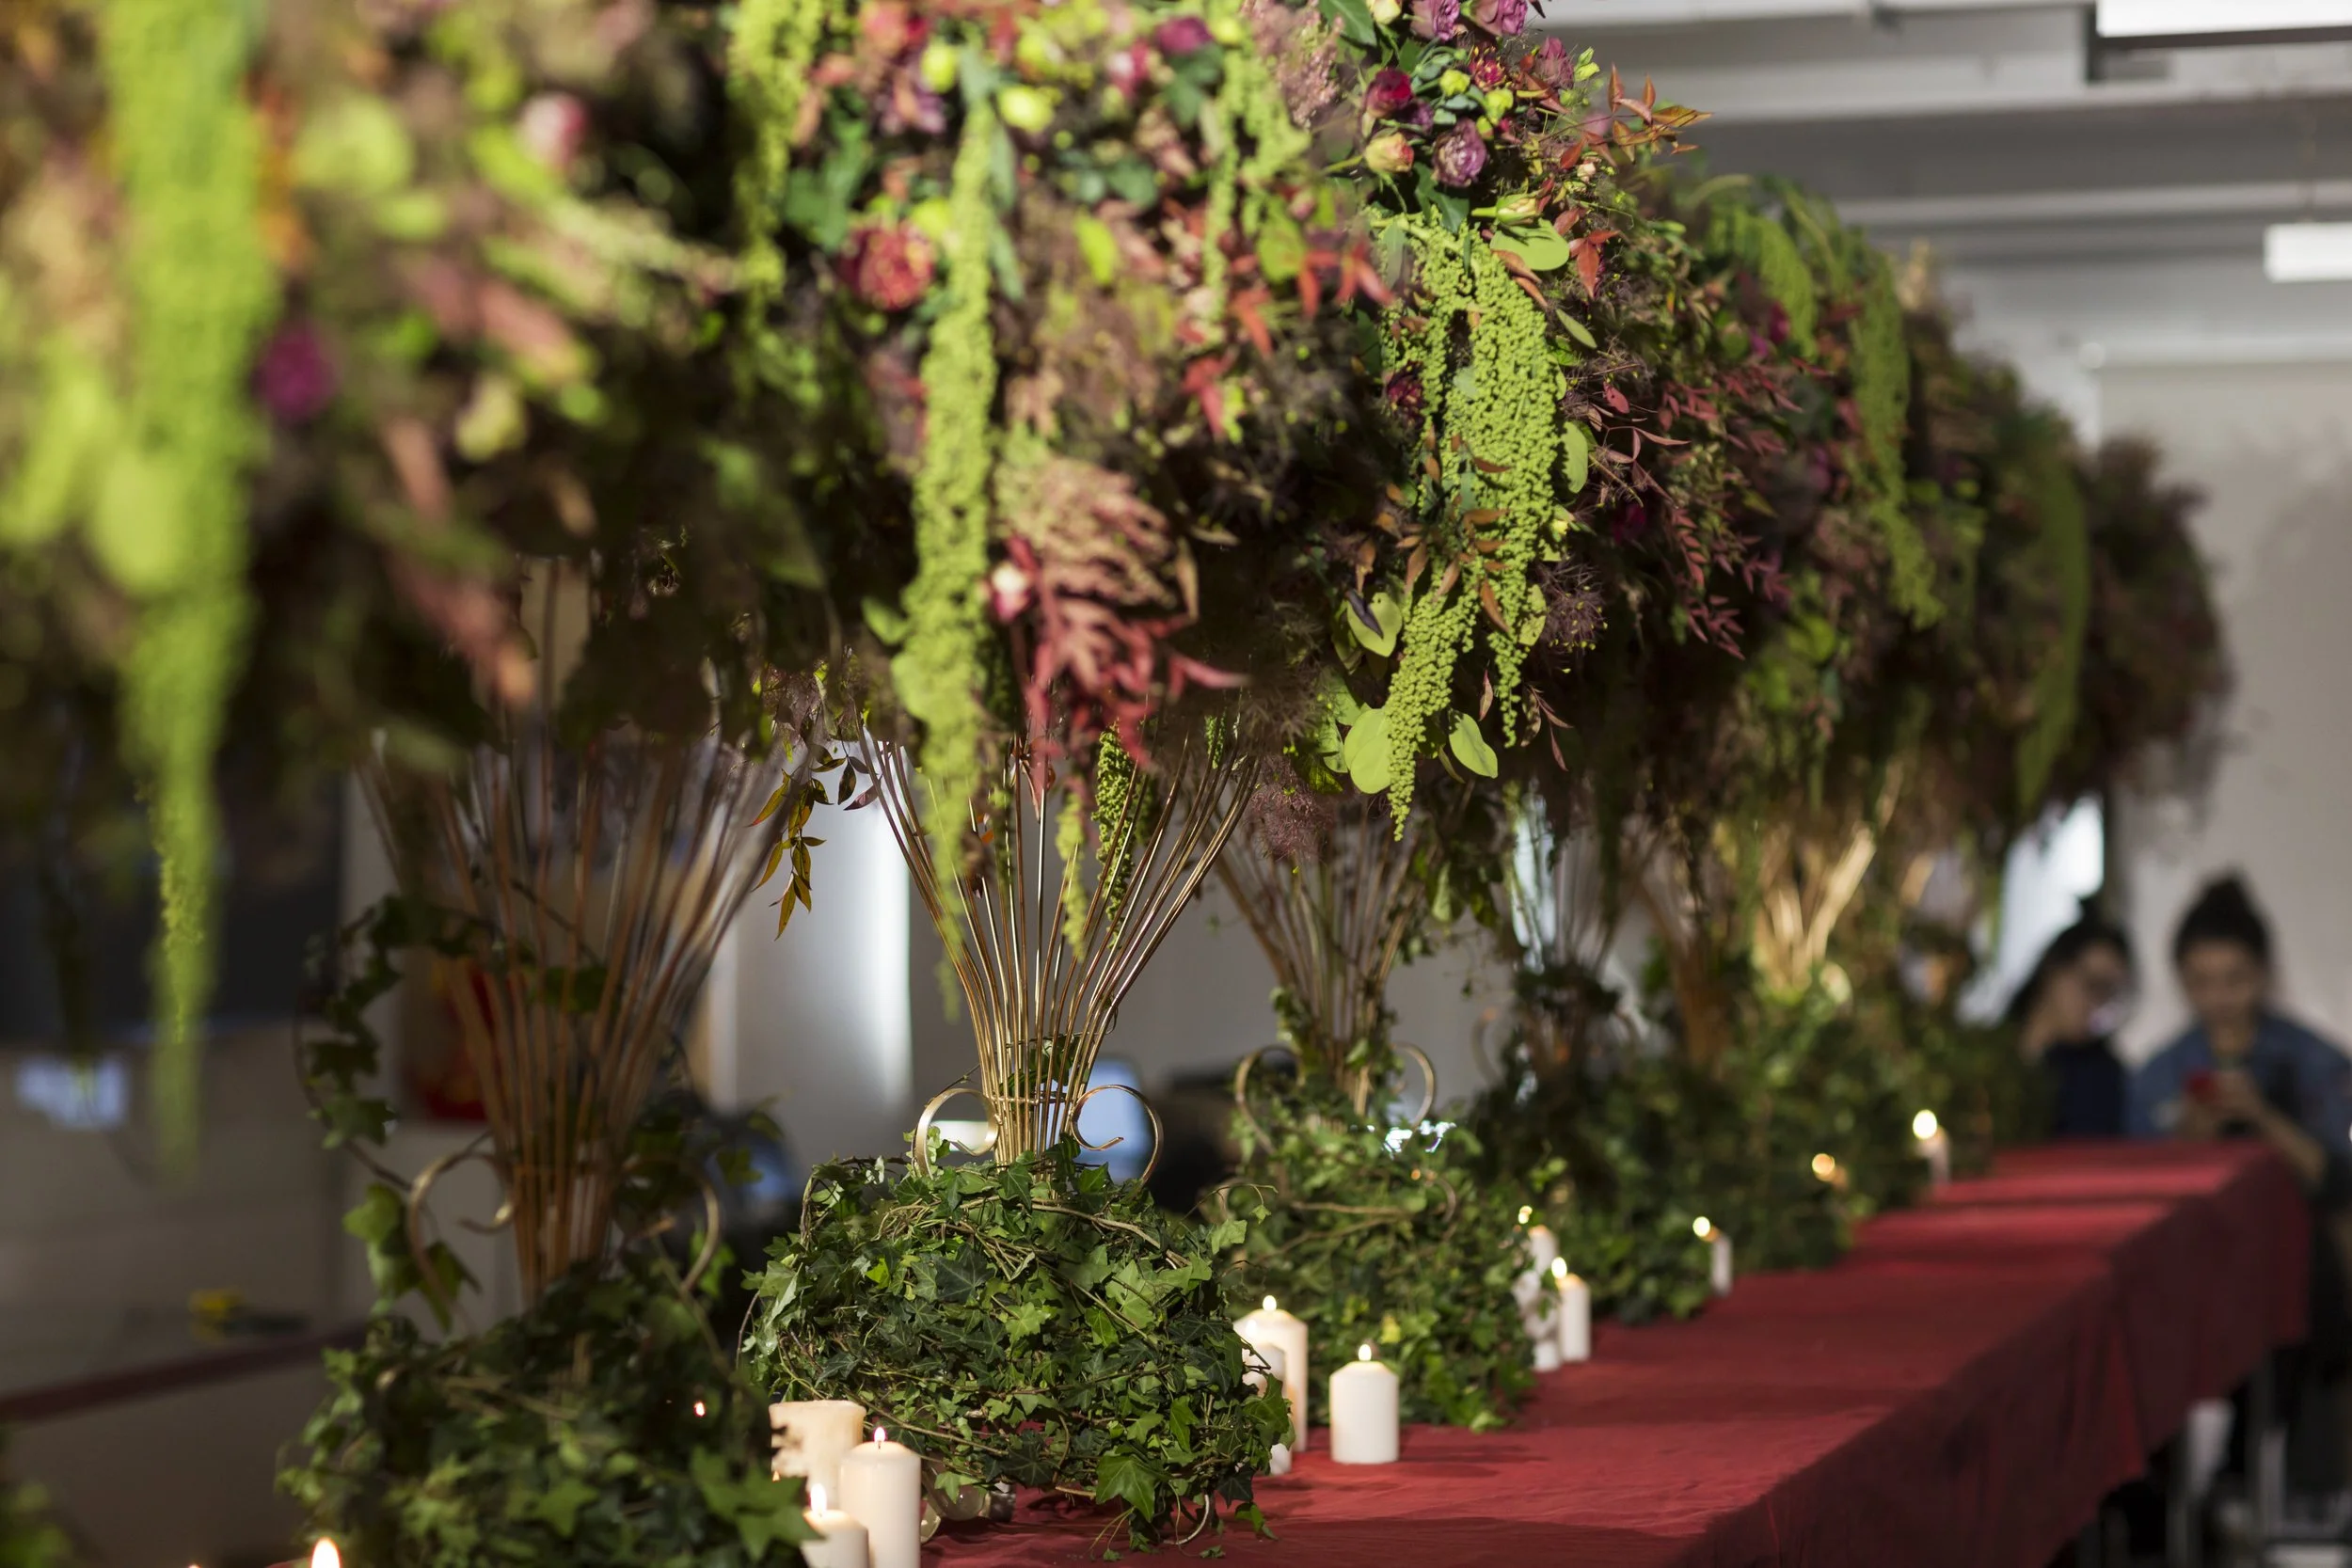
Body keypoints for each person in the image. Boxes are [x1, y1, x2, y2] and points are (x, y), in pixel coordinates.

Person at [2128, 874, 2352, 1513]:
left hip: (2300, 1275)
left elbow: (2338, 1176)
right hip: (2192, 1276)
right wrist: (2190, 1137)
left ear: (2261, 975)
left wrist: (2264, 1118)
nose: (2220, 998)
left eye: (2234, 979)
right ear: (2182, 982)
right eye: (2202, 981)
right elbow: (2138, 1195)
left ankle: (2290, 1488)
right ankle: (2177, 1508)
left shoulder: (2311, 1059)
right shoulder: (2163, 1073)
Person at [2009, 907, 2137, 1137]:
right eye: (2092, 984)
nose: (2097, 1003)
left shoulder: (2101, 1077)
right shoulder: (1987, 1050)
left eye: (2111, 995)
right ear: (2054, 968)